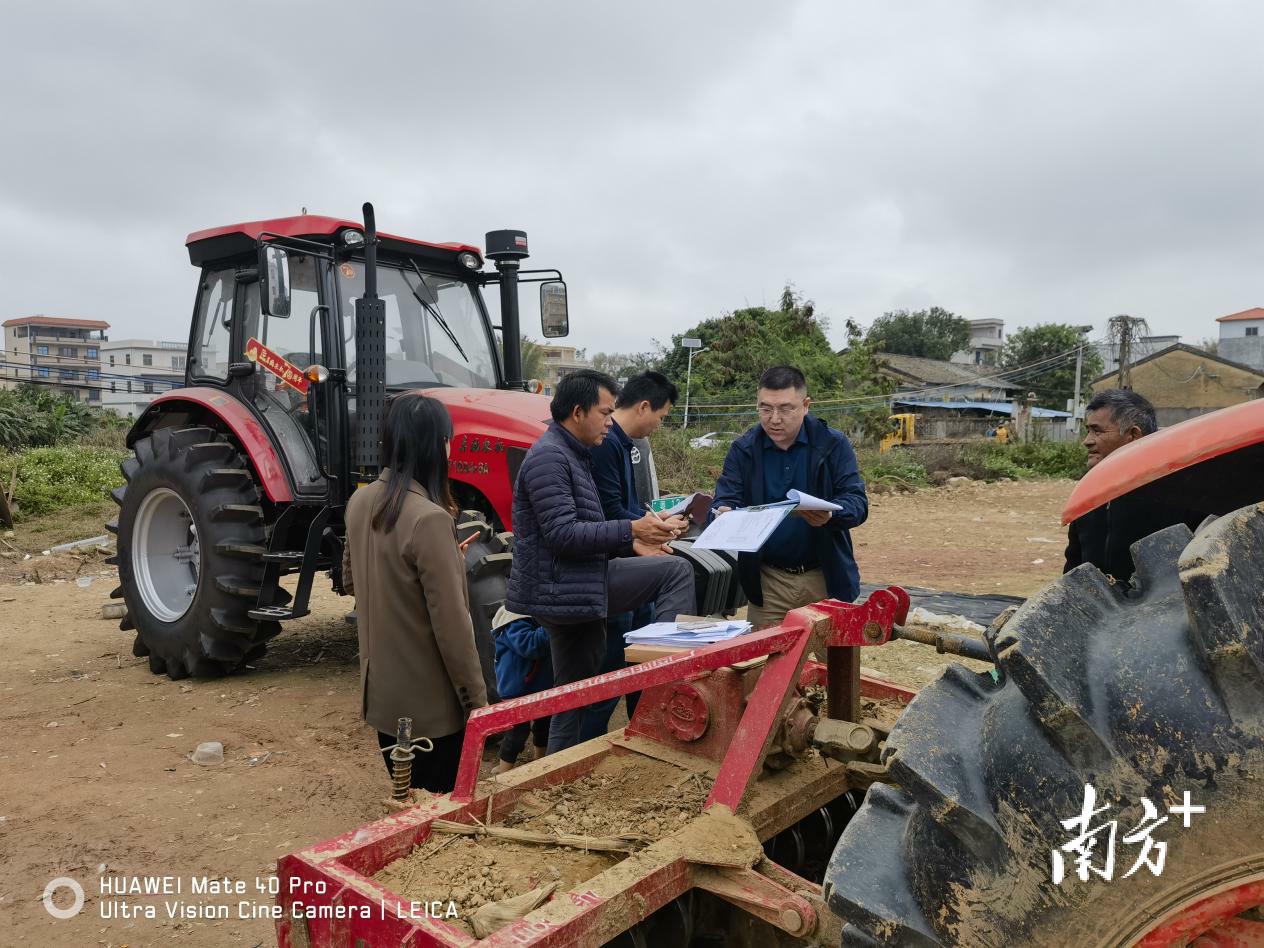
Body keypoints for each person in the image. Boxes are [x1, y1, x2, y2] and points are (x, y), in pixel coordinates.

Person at [507, 369, 696, 754]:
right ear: (577, 412)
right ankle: (667, 680)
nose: (610, 422)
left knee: (573, 697)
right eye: (605, 413)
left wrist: (630, 544)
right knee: (676, 571)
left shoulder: (572, 454)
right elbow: (563, 535)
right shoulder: (550, 458)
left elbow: (587, 529)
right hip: (566, 587)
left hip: (574, 582)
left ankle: (557, 774)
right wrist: (632, 532)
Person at [343, 393, 488, 793]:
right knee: (435, 814)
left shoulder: (360, 501)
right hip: (433, 715)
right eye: (448, 440)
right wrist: (478, 704)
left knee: (404, 798)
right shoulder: (430, 519)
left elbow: (355, 580)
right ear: (434, 445)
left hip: (384, 702)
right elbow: (454, 631)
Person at [712, 365, 869, 629]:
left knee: (830, 667)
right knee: (765, 665)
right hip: (768, 582)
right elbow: (723, 499)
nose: (774, 419)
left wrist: (831, 515)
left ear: (806, 405)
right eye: (765, 408)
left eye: (786, 409)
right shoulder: (744, 450)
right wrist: (723, 512)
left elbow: (857, 502)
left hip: (825, 577)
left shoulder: (832, 444)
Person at [581, 371, 680, 740]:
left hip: (626, 558)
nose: (659, 424)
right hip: (611, 567)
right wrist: (644, 527)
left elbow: (622, 508)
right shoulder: (607, 445)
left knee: (632, 659)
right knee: (610, 673)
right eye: (662, 415)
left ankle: (643, 727)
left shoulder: (624, 444)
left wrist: (651, 521)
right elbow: (607, 513)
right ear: (643, 406)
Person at [1064, 389, 1202, 583]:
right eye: (1088, 431)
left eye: (1098, 431)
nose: (1087, 441)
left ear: (1133, 435)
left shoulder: (1181, 494)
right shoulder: (1088, 495)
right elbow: (1073, 567)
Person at [490, 606, 552, 774]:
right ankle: (504, 769)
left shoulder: (532, 612)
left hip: (539, 683)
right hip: (517, 687)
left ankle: (540, 759)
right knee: (517, 731)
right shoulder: (514, 618)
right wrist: (553, 624)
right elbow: (530, 645)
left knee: (544, 724)